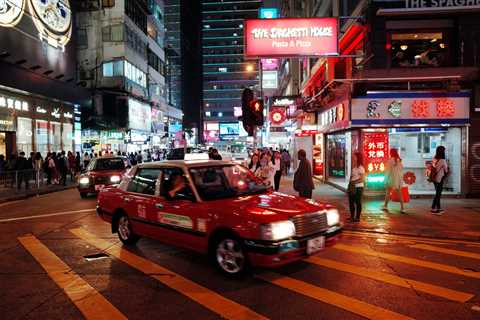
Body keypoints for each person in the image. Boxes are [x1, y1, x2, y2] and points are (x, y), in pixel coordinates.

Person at [382, 148, 406, 213]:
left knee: (388, 192)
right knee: (400, 193)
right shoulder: (399, 160)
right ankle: (402, 208)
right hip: (398, 179)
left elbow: (387, 172)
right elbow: (401, 170)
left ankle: (385, 206)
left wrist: (385, 180)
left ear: (391, 153)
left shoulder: (390, 161)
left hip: (391, 179)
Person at [348, 152, 365, 222]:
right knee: (351, 202)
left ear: (358, 158)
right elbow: (351, 177)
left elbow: (362, 179)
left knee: (358, 202)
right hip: (352, 187)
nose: (353, 158)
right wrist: (349, 184)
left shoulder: (361, 168)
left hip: (358, 187)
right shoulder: (354, 168)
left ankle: (357, 217)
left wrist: (354, 182)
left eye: (354, 157)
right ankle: (352, 216)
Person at [431, 146, 449, 215]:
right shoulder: (442, 160)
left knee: (437, 193)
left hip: (434, 178)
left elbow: (433, 167)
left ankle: (437, 208)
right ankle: (434, 208)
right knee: (438, 194)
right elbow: (446, 170)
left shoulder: (434, 159)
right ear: (442, 152)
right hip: (440, 178)